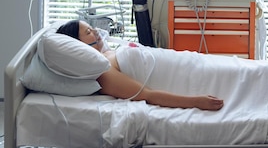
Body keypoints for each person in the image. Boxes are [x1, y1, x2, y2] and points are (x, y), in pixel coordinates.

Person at [56, 20, 224, 112]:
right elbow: (147, 95)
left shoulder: (107, 53)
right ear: (77, 45)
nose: (96, 32)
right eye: (88, 32)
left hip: (188, 62)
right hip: (188, 76)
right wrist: (196, 102)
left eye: (92, 28)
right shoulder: (103, 72)